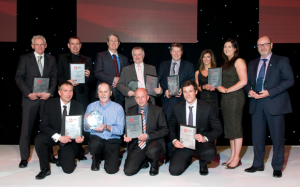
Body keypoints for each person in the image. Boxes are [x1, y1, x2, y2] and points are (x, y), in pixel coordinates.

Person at [243, 36, 294, 178]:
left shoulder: (282, 60)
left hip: (274, 103)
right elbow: (246, 82)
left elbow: (290, 80)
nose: (262, 47)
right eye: (259, 45)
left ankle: (277, 167)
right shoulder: (252, 63)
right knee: (257, 137)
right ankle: (258, 164)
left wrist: (269, 92)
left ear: (271, 44)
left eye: (265, 44)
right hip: (256, 103)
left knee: (277, 137)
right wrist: (249, 91)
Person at [15, 35, 57, 168]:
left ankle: (49, 155)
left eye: (42, 44)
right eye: (37, 44)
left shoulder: (51, 59)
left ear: (45, 45)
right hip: (30, 100)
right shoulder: (25, 58)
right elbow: (19, 78)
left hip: (46, 100)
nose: (40, 47)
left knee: (48, 128)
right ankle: (24, 158)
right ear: (32, 46)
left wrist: (49, 93)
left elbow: (54, 78)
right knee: (26, 130)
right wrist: (28, 94)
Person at [168, 80, 222, 176]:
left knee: (210, 152)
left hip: (201, 142)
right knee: (174, 171)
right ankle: (187, 159)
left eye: (190, 91)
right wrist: (174, 140)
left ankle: (203, 163)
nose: (188, 94)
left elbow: (218, 129)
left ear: (196, 91)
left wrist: (204, 138)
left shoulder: (207, 107)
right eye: (185, 91)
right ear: (182, 92)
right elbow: (171, 126)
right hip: (184, 143)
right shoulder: (177, 107)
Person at [34, 81, 84, 179]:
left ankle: (61, 156)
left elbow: (80, 127)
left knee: (68, 170)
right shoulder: (49, 104)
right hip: (54, 135)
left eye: (70, 91)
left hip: (69, 139)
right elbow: (43, 126)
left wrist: (80, 136)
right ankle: (45, 169)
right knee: (39, 139)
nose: (69, 94)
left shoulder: (78, 106)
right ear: (59, 92)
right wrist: (59, 137)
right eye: (65, 91)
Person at [57, 36, 94, 161]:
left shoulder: (87, 59)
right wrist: (66, 82)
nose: (75, 46)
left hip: (82, 95)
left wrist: (89, 76)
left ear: (80, 45)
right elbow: (58, 76)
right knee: (68, 121)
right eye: (72, 44)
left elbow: (92, 80)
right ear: (68, 45)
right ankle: (67, 149)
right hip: (68, 95)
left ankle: (79, 151)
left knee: (80, 122)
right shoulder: (62, 58)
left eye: (77, 44)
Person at [158, 42, 195, 162]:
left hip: (182, 101)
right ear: (170, 52)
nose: (176, 53)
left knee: (183, 128)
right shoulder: (163, 65)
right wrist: (165, 91)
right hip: (167, 102)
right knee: (168, 128)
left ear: (182, 53)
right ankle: (169, 156)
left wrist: (182, 90)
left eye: (178, 51)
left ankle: (185, 156)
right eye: (174, 51)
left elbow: (192, 81)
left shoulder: (189, 65)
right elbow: (160, 82)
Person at [217, 38, 247, 169]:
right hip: (226, 99)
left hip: (235, 97)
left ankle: (237, 158)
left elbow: (244, 81)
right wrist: (218, 86)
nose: (227, 49)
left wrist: (227, 89)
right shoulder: (225, 63)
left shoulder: (239, 61)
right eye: (225, 47)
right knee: (230, 128)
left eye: (229, 47)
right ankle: (233, 155)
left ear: (235, 48)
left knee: (236, 128)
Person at [123, 88, 168, 176]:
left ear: (147, 97)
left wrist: (147, 136)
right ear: (135, 99)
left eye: (142, 97)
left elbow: (165, 130)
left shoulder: (158, 110)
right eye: (138, 97)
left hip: (153, 141)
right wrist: (127, 135)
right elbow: (128, 128)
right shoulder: (130, 110)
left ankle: (154, 164)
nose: (140, 99)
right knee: (128, 171)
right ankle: (143, 160)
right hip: (138, 143)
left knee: (152, 150)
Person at [84, 82, 125, 174]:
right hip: (97, 137)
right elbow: (85, 128)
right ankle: (96, 159)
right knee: (95, 144)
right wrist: (88, 122)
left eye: (105, 92)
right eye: (100, 92)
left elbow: (120, 130)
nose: (103, 94)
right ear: (97, 93)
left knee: (111, 170)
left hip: (112, 139)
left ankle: (107, 155)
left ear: (111, 93)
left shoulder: (118, 108)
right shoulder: (91, 106)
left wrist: (106, 127)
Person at [117, 46, 162, 113]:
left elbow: (155, 86)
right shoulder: (126, 69)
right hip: (132, 101)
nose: (137, 57)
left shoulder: (152, 68)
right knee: (133, 123)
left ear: (143, 55)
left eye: (139, 54)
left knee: (150, 123)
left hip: (149, 101)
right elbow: (119, 84)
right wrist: (127, 92)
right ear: (132, 56)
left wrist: (159, 92)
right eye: (135, 55)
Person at [94, 34, 129, 106]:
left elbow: (127, 75)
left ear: (119, 43)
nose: (113, 43)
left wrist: (121, 81)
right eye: (111, 41)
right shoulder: (101, 56)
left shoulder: (124, 59)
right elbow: (97, 73)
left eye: (115, 41)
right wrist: (113, 79)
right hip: (105, 93)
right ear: (107, 43)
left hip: (120, 93)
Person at [195, 49, 219, 116]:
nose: (206, 59)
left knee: (214, 121)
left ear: (211, 58)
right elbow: (196, 89)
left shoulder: (216, 71)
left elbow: (220, 86)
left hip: (214, 100)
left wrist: (215, 88)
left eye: (208, 57)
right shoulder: (197, 73)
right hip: (202, 100)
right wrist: (203, 87)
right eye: (204, 57)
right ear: (202, 59)